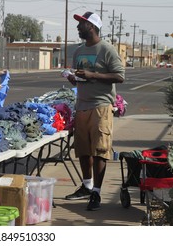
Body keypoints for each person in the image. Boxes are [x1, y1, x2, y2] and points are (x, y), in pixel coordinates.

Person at [64, 11, 125, 211]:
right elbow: (80, 75)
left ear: (91, 26)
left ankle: (97, 193)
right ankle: (87, 185)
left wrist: (93, 74)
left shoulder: (107, 49)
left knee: (100, 150)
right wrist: (75, 78)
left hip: (101, 106)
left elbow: (119, 76)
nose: (78, 27)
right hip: (81, 105)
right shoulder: (79, 51)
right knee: (83, 149)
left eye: (81, 23)